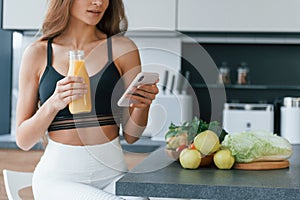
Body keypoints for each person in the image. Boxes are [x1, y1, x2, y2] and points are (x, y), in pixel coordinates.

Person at [15, 0, 159, 199]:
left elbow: (131, 136)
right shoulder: (38, 53)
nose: (98, 2)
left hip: (114, 174)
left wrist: (143, 106)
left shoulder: (122, 49)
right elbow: (23, 140)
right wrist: (54, 103)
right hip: (60, 180)